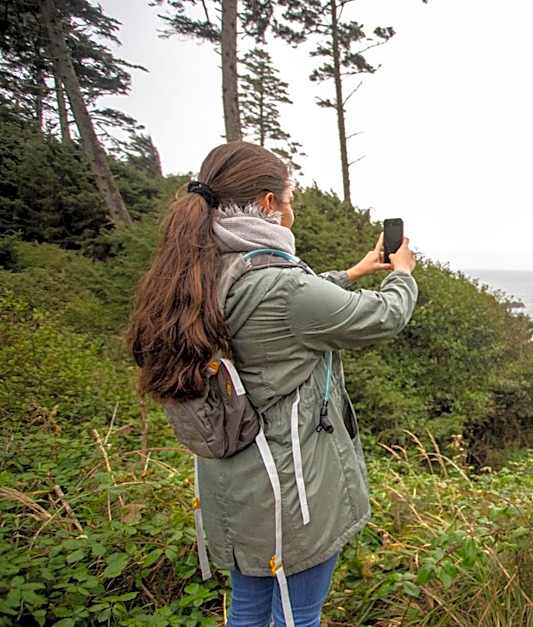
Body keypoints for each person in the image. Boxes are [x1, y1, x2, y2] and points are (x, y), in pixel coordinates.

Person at [127, 141, 418, 626]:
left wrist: (352, 273)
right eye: (289, 197)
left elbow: (284, 303)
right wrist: (402, 275)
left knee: (249, 608)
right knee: (296, 615)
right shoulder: (283, 286)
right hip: (289, 486)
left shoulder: (205, 266)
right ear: (266, 204)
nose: (292, 208)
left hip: (236, 482)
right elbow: (381, 317)